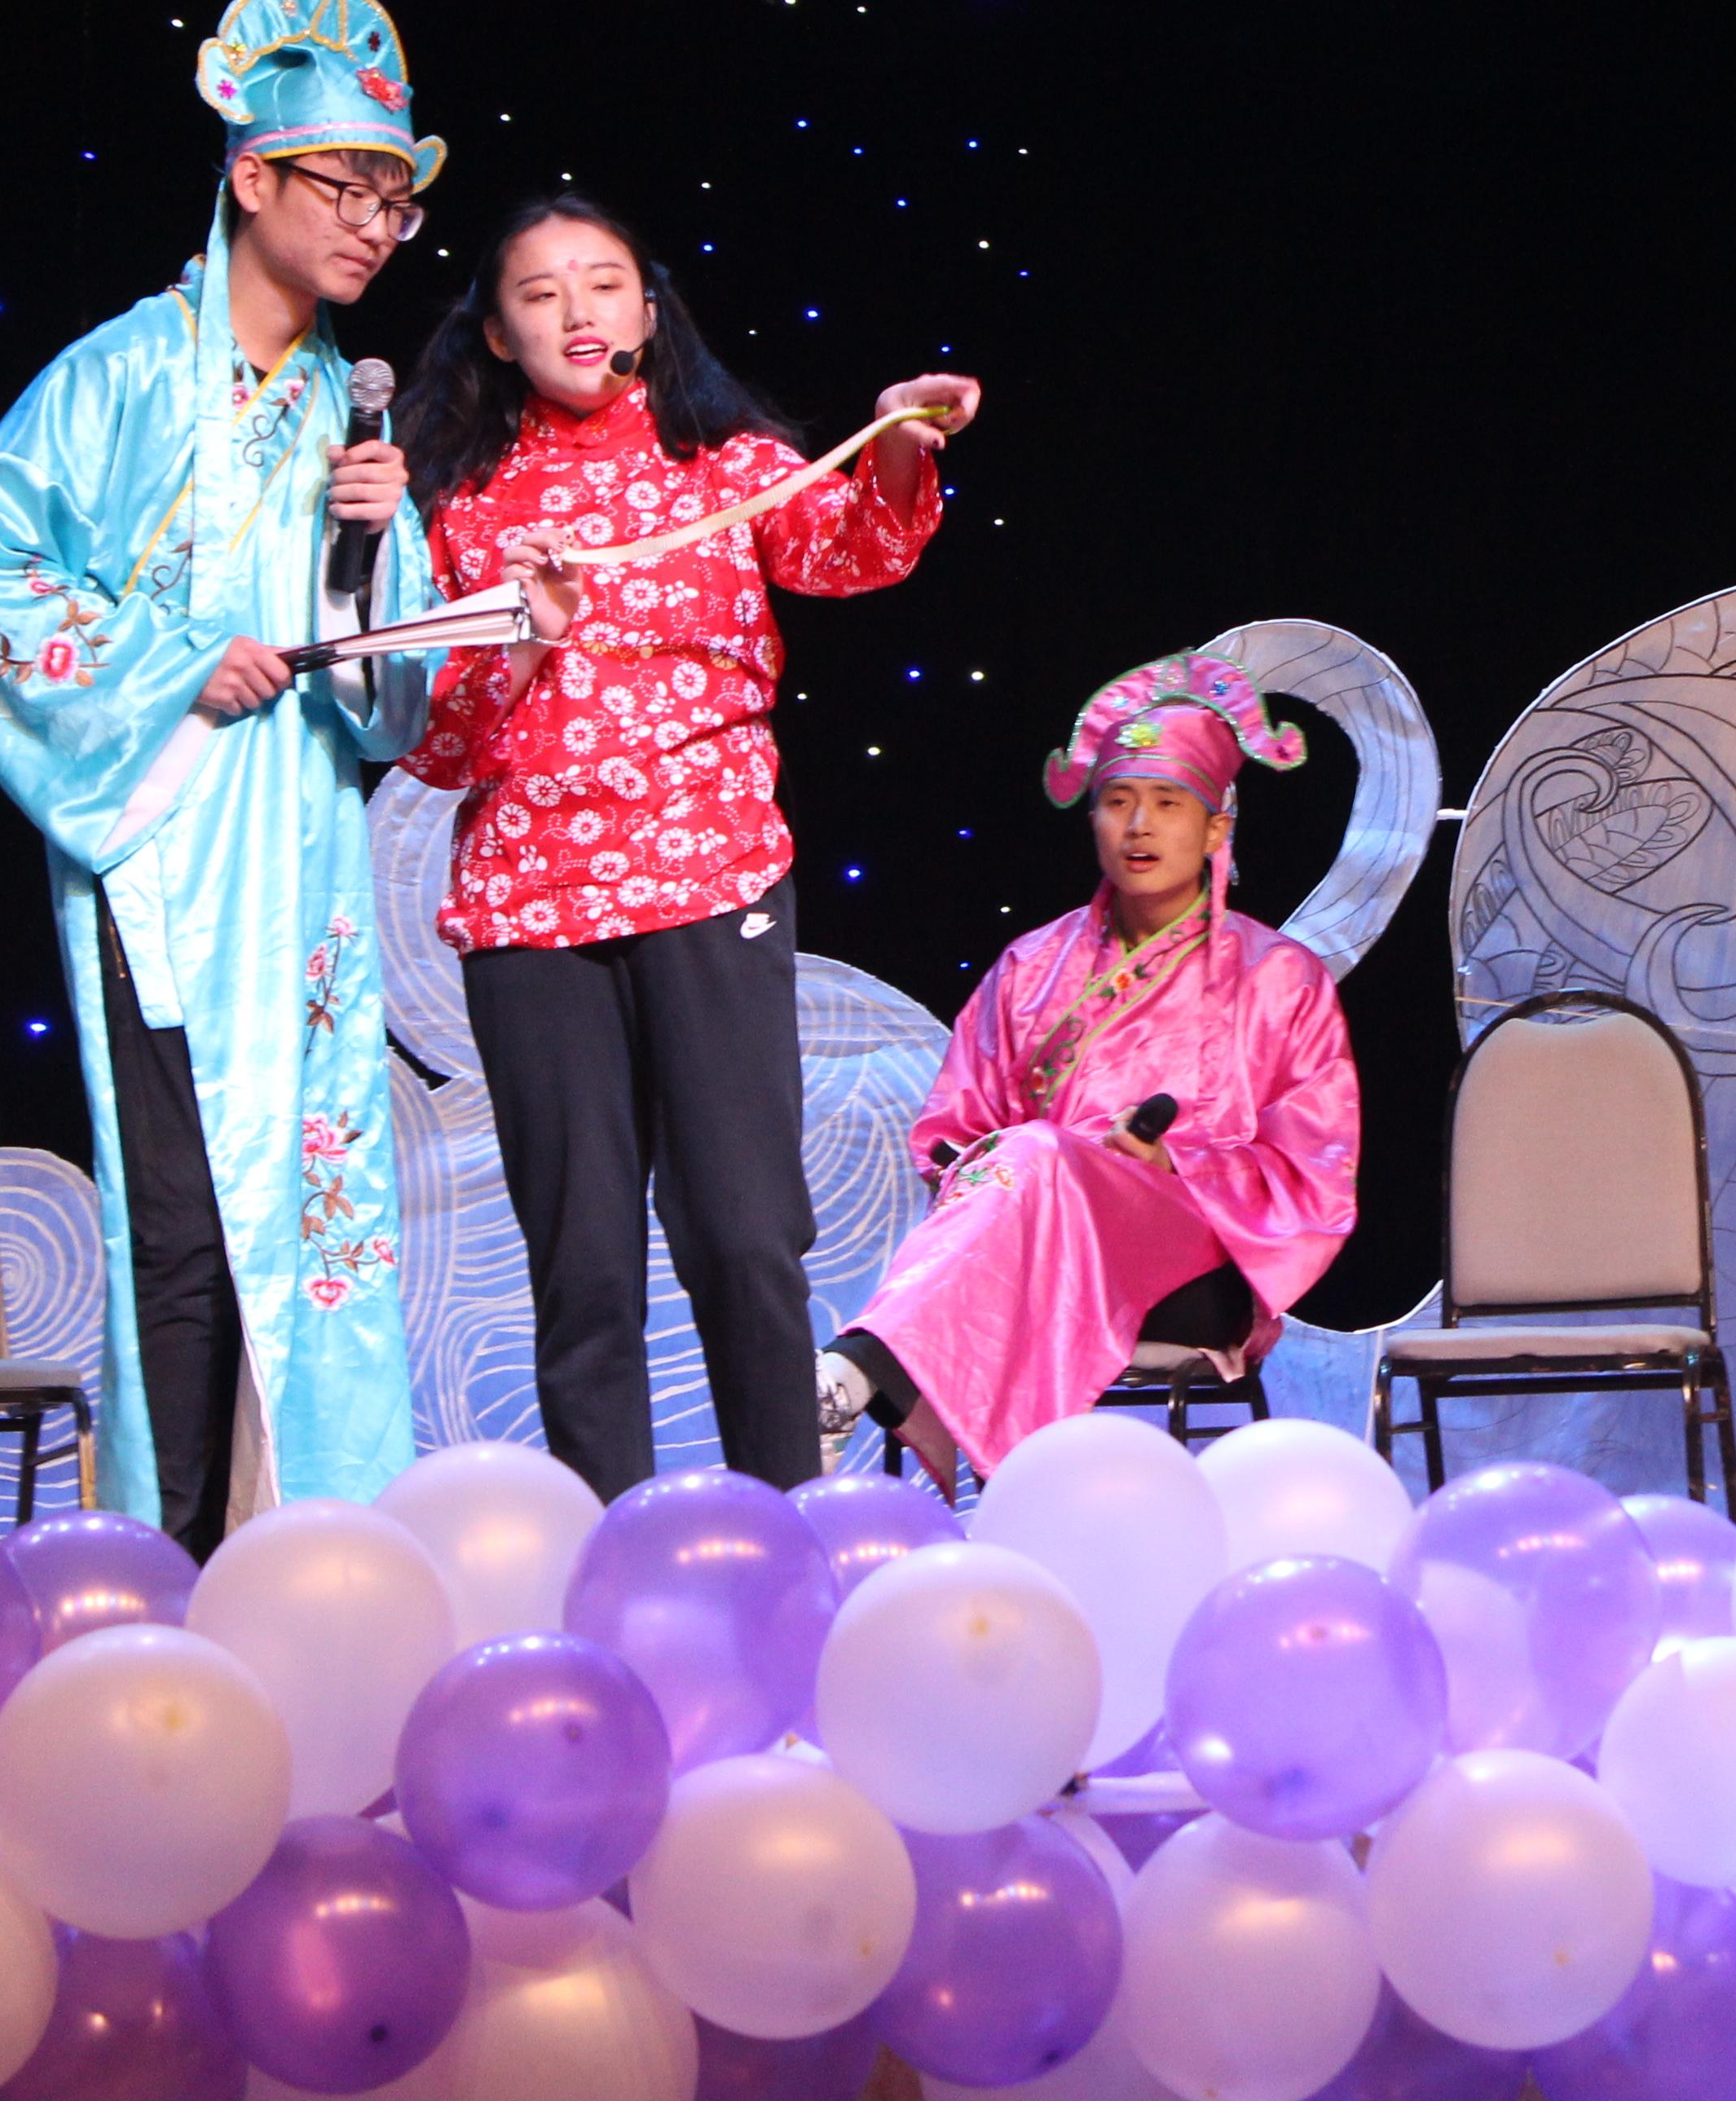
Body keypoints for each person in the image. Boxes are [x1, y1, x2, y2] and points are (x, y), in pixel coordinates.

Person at [0, 0, 446, 1544]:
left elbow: (391, 700)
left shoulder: (348, 415)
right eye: (347, 187)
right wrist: (168, 669)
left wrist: (377, 550)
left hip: (302, 851)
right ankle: (171, 1560)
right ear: (251, 176)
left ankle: (317, 1548)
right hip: (166, 836)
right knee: (180, 1218)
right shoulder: (118, 376)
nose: (373, 226)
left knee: (316, 1213)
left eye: (395, 202)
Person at [397, 192, 979, 1496]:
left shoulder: (725, 463)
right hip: (532, 909)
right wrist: (529, 635)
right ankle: (612, 1543)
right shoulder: (464, 505)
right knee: (584, 1265)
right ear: (494, 333)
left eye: (603, 283)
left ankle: (780, 1521)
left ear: (649, 312)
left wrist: (898, 441)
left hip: (711, 878)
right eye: (540, 293)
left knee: (743, 1235)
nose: (577, 312)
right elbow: (434, 743)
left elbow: (854, 552)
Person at [821, 652, 1362, 1495]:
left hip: (1194, 1269)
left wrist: (1175, 1163)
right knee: (1036, 1155)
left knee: (1042, 1152)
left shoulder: (1279, 979)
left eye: (1168, 803)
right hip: (1034, 1251)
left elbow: (1316, 1174)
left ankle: (861, 1367)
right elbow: (951, 1136)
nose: (1139, 826)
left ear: (1216, 828)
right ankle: (872, 1372)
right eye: (1117, 802)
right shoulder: (1030, 965)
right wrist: (1025, 1165)